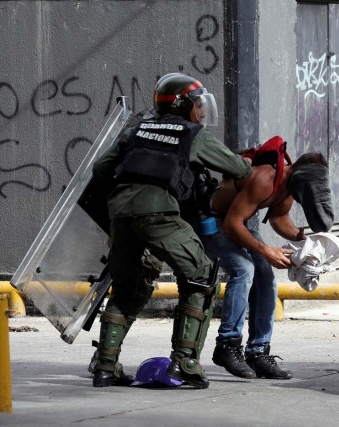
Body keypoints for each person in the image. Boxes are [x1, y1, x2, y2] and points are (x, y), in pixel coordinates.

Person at [89, 72, 252, 389]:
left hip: (120, 216)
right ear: (184, 106)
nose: (201, 112)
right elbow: (238, 168)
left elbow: (100, 168)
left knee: (128, 286)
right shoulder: (192, 134)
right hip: (159, 213)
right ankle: (185, 363)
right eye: (197, 105)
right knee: (200, 274)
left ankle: (105, 367)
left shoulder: (136, 129)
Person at [199, 150, 333, 380]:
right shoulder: (264, 178)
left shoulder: (288, 187)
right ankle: (227, 345)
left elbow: (279, 219)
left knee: (266, 278)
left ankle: (258, 352)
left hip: (234, 221)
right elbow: (232, 224)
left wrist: (307, 241)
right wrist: (267, 251)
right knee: (244, 269)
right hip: (210, 220)